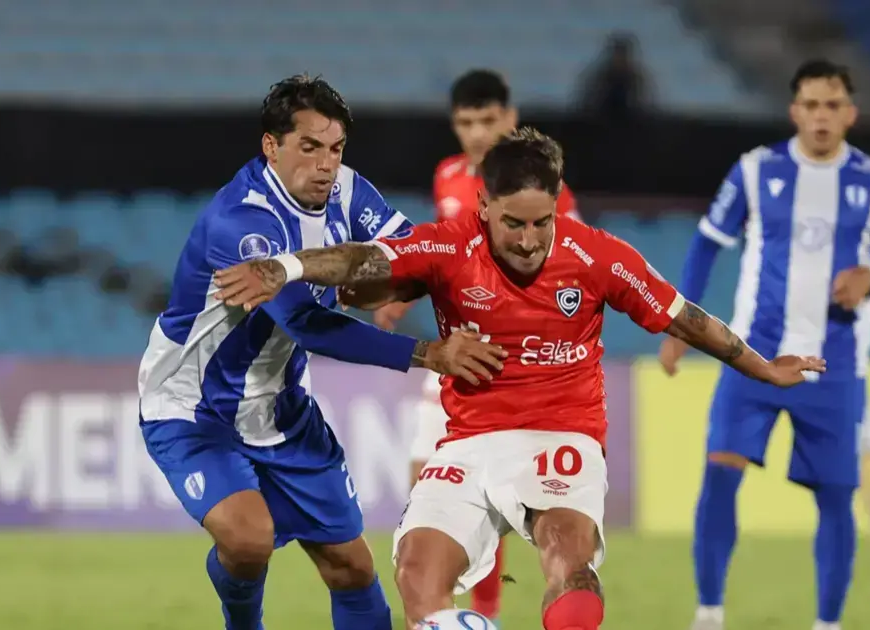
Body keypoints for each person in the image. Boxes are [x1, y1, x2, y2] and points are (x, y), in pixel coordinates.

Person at [212, 127, 826, 630]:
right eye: (514, 224)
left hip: (562, 436)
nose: (530, 241)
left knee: (567, 555)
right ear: (484, 207)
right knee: (416, 576)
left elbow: (687, 319)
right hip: (469, 444)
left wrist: (764, 367)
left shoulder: (598, 256)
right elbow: (364, 260)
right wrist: (287, 266)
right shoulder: (450, 247)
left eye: (543, 223)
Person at [136, 74, 505, 630]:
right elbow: (309, 325)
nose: (326, 165)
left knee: (351, 567)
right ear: (272, 146)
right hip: (194, 408)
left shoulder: (349, 191)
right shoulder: (243, 225)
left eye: (335, 149)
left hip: (281, 408)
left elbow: (411, 253)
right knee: (249, 538)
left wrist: (422, 280)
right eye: (309, 148)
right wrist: (429, 353)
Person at [657, 59, 870, 630]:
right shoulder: (756, 171)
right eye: (811, 104)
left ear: (850, 113)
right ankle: (709, 614)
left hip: (836, 365)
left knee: (834, 497)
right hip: (753, 356)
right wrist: (679, 324)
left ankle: (827, 624)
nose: (821, 116)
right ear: (794, 111)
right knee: (720, 470)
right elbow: (708, 244)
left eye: (832, 105)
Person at [372, 68, 584, 623]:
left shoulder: (536, 190)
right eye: (466, 122)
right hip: (452, 357)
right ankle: (454, 610)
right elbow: (450, 256)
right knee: (429, 489)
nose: (477, 132)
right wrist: (403, 291)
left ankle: (482, 611)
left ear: (510, 120)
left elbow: (573, 267)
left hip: (511, 374)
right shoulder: (448, 176)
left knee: (492, 495)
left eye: (488, 120)